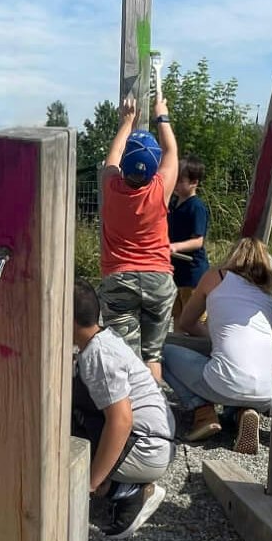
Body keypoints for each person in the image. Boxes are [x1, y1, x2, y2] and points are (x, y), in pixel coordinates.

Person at [72, 279, 175, 537]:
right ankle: (117, 484)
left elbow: (121, 421)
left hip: (145, 447)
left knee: (63, 442)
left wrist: (90, 485)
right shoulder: (101, 340)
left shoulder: (99, 355)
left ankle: (129, 492)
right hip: (151, 442)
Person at [161, 237, 272, 451]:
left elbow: (187, 322)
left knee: (161, 353)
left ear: (233, 256)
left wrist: (214, 337)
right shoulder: (269, 297)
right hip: (269, 391)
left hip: (227, 380)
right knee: (235, 376)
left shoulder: (215, 278)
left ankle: (202, 410)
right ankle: (242, 413)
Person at [99, 87, 179, 383]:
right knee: (152, 356)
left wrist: (127, 121)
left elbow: (113, 156)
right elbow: (172, 151)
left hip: (119, 277)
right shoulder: (161, 189)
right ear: (154, 168)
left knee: (126, 358)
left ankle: (133, 419)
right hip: (159, 277)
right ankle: (156, 418)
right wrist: (162, 115)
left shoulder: (111, 185)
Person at [168, 156, 210, 326]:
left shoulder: (196, 207)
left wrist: (175, 247)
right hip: (175, 271)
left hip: (193, 273)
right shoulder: (172, 203)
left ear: (194, 182)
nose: (176, 183)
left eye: (180, 180)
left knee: (194, 319)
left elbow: (198, 241)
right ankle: (179, 348)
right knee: (177, 316)